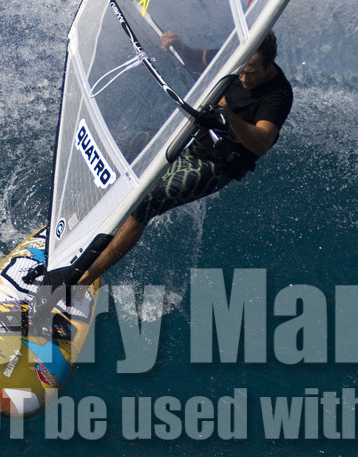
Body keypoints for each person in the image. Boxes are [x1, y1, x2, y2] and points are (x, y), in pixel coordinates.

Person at [73, 29, 293, 286]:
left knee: (148, 201)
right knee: (124, 149)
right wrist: (179, 45)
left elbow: (262, 142)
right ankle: (76, 220)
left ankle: (83, 279)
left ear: (270, 64)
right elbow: (199, 60)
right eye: (242, 70)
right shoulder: (239, 58)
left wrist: (228, 115)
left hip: (216, 162)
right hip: (192, 139)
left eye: (252, 72)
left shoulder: (278, 94)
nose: (244, 77)